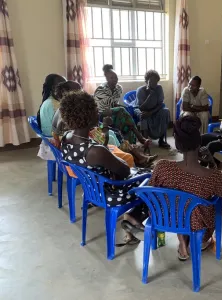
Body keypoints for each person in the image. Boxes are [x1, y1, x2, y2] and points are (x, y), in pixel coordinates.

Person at [59, 90, 151, 245]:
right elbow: (125, 171)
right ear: (87, 115)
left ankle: (132, 223)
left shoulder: (67, 137)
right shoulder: (95, 151)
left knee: (145, 173)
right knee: (153, 178)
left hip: (92, 190)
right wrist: (111, 155)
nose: (99, 113)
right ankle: (133, 218)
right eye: (96, 110)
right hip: (110, 191)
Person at [147, 116, 222, 260]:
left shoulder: (162, 166)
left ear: (177, 145)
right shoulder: (213, 176)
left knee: (177, 201)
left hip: (165, 218)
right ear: (200, 142)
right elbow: (219, 200)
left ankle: (182, 241)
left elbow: (151, 189)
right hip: (196, 224)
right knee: (196, 206)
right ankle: (200, 240)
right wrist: (212, 164)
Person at [52, 81, 156, 168]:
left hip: (83, 169)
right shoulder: (96, 151)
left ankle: (138, 157)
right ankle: (136, 157)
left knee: (114, 133)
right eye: (79, 90)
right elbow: (124, 170)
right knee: (116, 141)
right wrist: (104, 127)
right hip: (108, 182)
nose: (82, 91)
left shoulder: (67, 127)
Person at [135, 70, 171, 149]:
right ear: (146, 81)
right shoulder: (140, 90)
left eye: (156, 81)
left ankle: (161, 141)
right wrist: (150, 96)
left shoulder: (159, 88)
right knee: (143, 116)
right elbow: (141, 107)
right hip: (143, 110)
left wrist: (151, 112)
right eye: (151, 81)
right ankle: (146, 142)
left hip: (154, 110)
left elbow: (160, 104)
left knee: (165, 111)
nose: (154, 84)